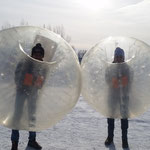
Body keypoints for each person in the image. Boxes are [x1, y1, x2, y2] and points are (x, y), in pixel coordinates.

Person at [11, 43, 46, 150]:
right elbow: (17, 76)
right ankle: (14, 143)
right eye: (35, 53)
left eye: (40, 53)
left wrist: (38, 83)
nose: (37, 55)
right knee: (17, 117)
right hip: (21, 92)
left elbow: (42, 83)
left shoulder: (43, 67)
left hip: (33, 94)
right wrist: (25, 82)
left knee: (32, 117)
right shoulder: (25, 63)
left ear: (42, 55)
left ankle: (32, 141)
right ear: (32, 54)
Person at [104, 47, 132, 149]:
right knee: (110, 118)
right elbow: (107, 80)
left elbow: (129, 81)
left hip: (124, 97)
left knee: (124, 119)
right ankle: (110, 137)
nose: (119, 58)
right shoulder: (110, 67)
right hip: (112, 96)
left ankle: (125, 140)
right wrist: (115, 82)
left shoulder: (127, 68)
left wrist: (119, 81)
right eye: (117, 56)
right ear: (114, 57)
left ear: (123, 57)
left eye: (121, 56)